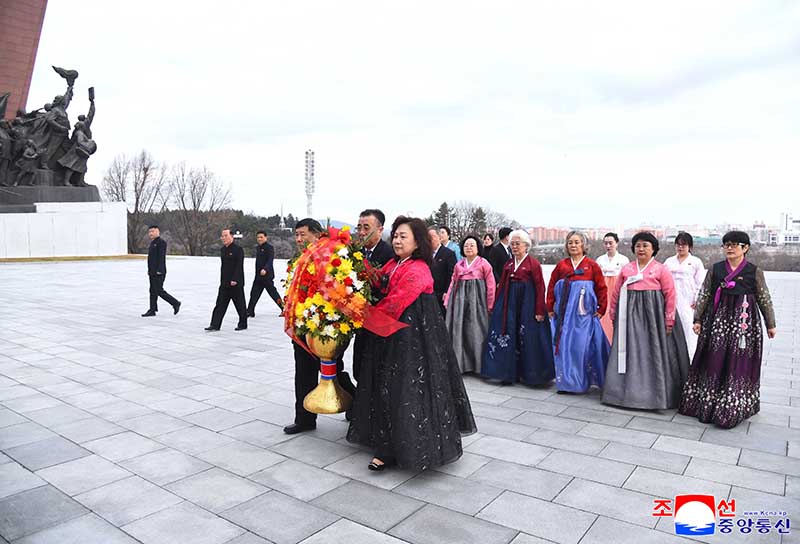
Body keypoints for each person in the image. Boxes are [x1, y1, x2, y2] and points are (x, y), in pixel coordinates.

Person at [347, 216, 476, 471]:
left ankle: (398, 448)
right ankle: (386, 441)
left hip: (412, 340)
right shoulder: (394, 264)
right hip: (391, 336)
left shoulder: (418, 269)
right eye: (395, 235)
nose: (397, 240)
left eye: (403, 236)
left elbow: (394, 302)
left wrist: (361, 314)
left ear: (417, 242)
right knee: (386, 387)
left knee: (406, 389)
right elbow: (376, 281)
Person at [679, 231, 777, 429]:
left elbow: (764, 297)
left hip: (744, 324)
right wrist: (697, 318)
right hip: (718, 322)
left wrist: (770, 323)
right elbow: (705, 294)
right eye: (726, 245)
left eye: (734, 244)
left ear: (745, 248)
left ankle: (734, 404)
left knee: (738, 362)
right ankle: (707, 403)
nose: (729, 248)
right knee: (713, 359)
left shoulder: (753, 271)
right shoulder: (715, 269)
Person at [284, 218, 356, 434]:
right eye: (296, 235)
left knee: (333, 372)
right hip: (302, 325)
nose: (299, 239)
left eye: (303, 234)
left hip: (324, 326)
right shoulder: (301, 257)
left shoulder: (329, 253)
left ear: (316, 234)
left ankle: (356, 406)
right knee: (302, 372)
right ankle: (304, 419)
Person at [602, 232, 690, 410]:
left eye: (645, 246)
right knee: (630, 353)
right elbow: (617, 293)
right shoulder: (627, 269)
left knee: (653, 353)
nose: (641, 249)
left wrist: (669, 319)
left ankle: (657, 395)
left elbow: (670, 295)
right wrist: (613, 313)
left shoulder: (660, 269)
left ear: (653, 249)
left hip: (653, 318)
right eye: (638, 246)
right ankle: (625, 394)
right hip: (630, 318)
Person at [482, 229, 555, 385]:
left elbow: (540, 287)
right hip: (509, 303)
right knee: (508, 335)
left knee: (527, 337)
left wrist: (539, 309)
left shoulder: (533, 264)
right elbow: (501, 286)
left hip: (527, 304)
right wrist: (497, 307)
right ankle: (508, 373)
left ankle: (530, 375)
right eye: (512, 244)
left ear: (526, 246)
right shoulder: (508, 264)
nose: (514, 247)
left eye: (517, 244)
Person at [546, 231, 609, 393]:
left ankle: (584, 380)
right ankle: (567, 383)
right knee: (565, 346)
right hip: (564, 314)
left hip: (584, 315)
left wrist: (601, 308)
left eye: (576, 242)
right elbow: (552, 286)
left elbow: (601, 287)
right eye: (570, 243)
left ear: (583, 245)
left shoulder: (592, 265)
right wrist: (550, 306)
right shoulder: (562, 266)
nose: (573, 245)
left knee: (582, 347)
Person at [352, 209, 395, 385]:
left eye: (366, 227)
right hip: (359, 320)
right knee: (359, 366)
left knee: (377, 368)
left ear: (379, 229)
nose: (361, 232)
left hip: (380, 320)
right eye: (359, 227)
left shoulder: (390, 255)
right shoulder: (354, 252)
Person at [443, 235, 496, 374]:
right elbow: (452, 283)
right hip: (459, 302)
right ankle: (461, 364)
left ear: (478, 248)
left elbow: (491, 285)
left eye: (472, 245)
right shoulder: (458, 265)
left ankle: (478, 365)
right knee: (459, 331)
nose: (469, 248)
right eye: (466, 245)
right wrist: (448, 299)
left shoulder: (484, 264)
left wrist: (490, 304)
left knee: (477, 331)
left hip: (477, 303)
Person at [664, 232, 705, 359]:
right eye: (678, 245)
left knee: (689, 330)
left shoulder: (696, 262)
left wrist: (697, 300)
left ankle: (690, 360)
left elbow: (701, 283)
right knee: (671, 328)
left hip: (688, 300)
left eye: (684, 245)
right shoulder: (669, 261)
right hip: (672, 299)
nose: (680, 248)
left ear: (690, 246)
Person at [205, 229, 248, 332]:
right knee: (220, 304)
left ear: (231, 236)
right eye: (222, 236)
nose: (223, 238)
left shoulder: (238, 250)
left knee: (240, 305)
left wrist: (235, 279)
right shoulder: (223, 250)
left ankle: (243, 324)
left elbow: (239, 266)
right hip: (224, 283)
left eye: (225, 236)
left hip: (235, 283)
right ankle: (215, 325)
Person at [595, 232, 629, 342]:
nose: (608, 246)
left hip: (617, 291)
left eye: (610, 243)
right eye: (606, 243)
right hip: (603, 291)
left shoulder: (624, 260)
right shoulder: (599, 260)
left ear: (616, 243)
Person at [141, 225, 181, 317]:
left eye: (153, 231)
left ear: (158, 232)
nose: (151, 233)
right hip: (152, 272)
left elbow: (161, 257)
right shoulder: (152, 243)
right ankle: (152, 309)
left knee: (159, 290)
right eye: (150, 232)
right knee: (152, 291)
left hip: (159, 272)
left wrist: (160, 270)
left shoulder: (161, 242)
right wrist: (150, 270)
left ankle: (175, 303)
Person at [246, 231, 283, 318]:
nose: (259, 239)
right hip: (258, 276)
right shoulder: (258, 248)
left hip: (267, 276)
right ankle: (250, 311)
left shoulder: (269, 248)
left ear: (266, 238)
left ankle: (284, 308)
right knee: (254, 293)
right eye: (258, 237)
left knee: (273, 294)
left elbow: (270, 260)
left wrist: (265, 269)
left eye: (261, 237)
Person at [428, 227, 457, 315]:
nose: (430, 239)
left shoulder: (449, 254)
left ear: (439, 238)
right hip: (428, 293)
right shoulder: (426, 254)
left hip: (441, 294)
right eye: (428, 237)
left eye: (432, 237)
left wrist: (447, 291)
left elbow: (452, 274)